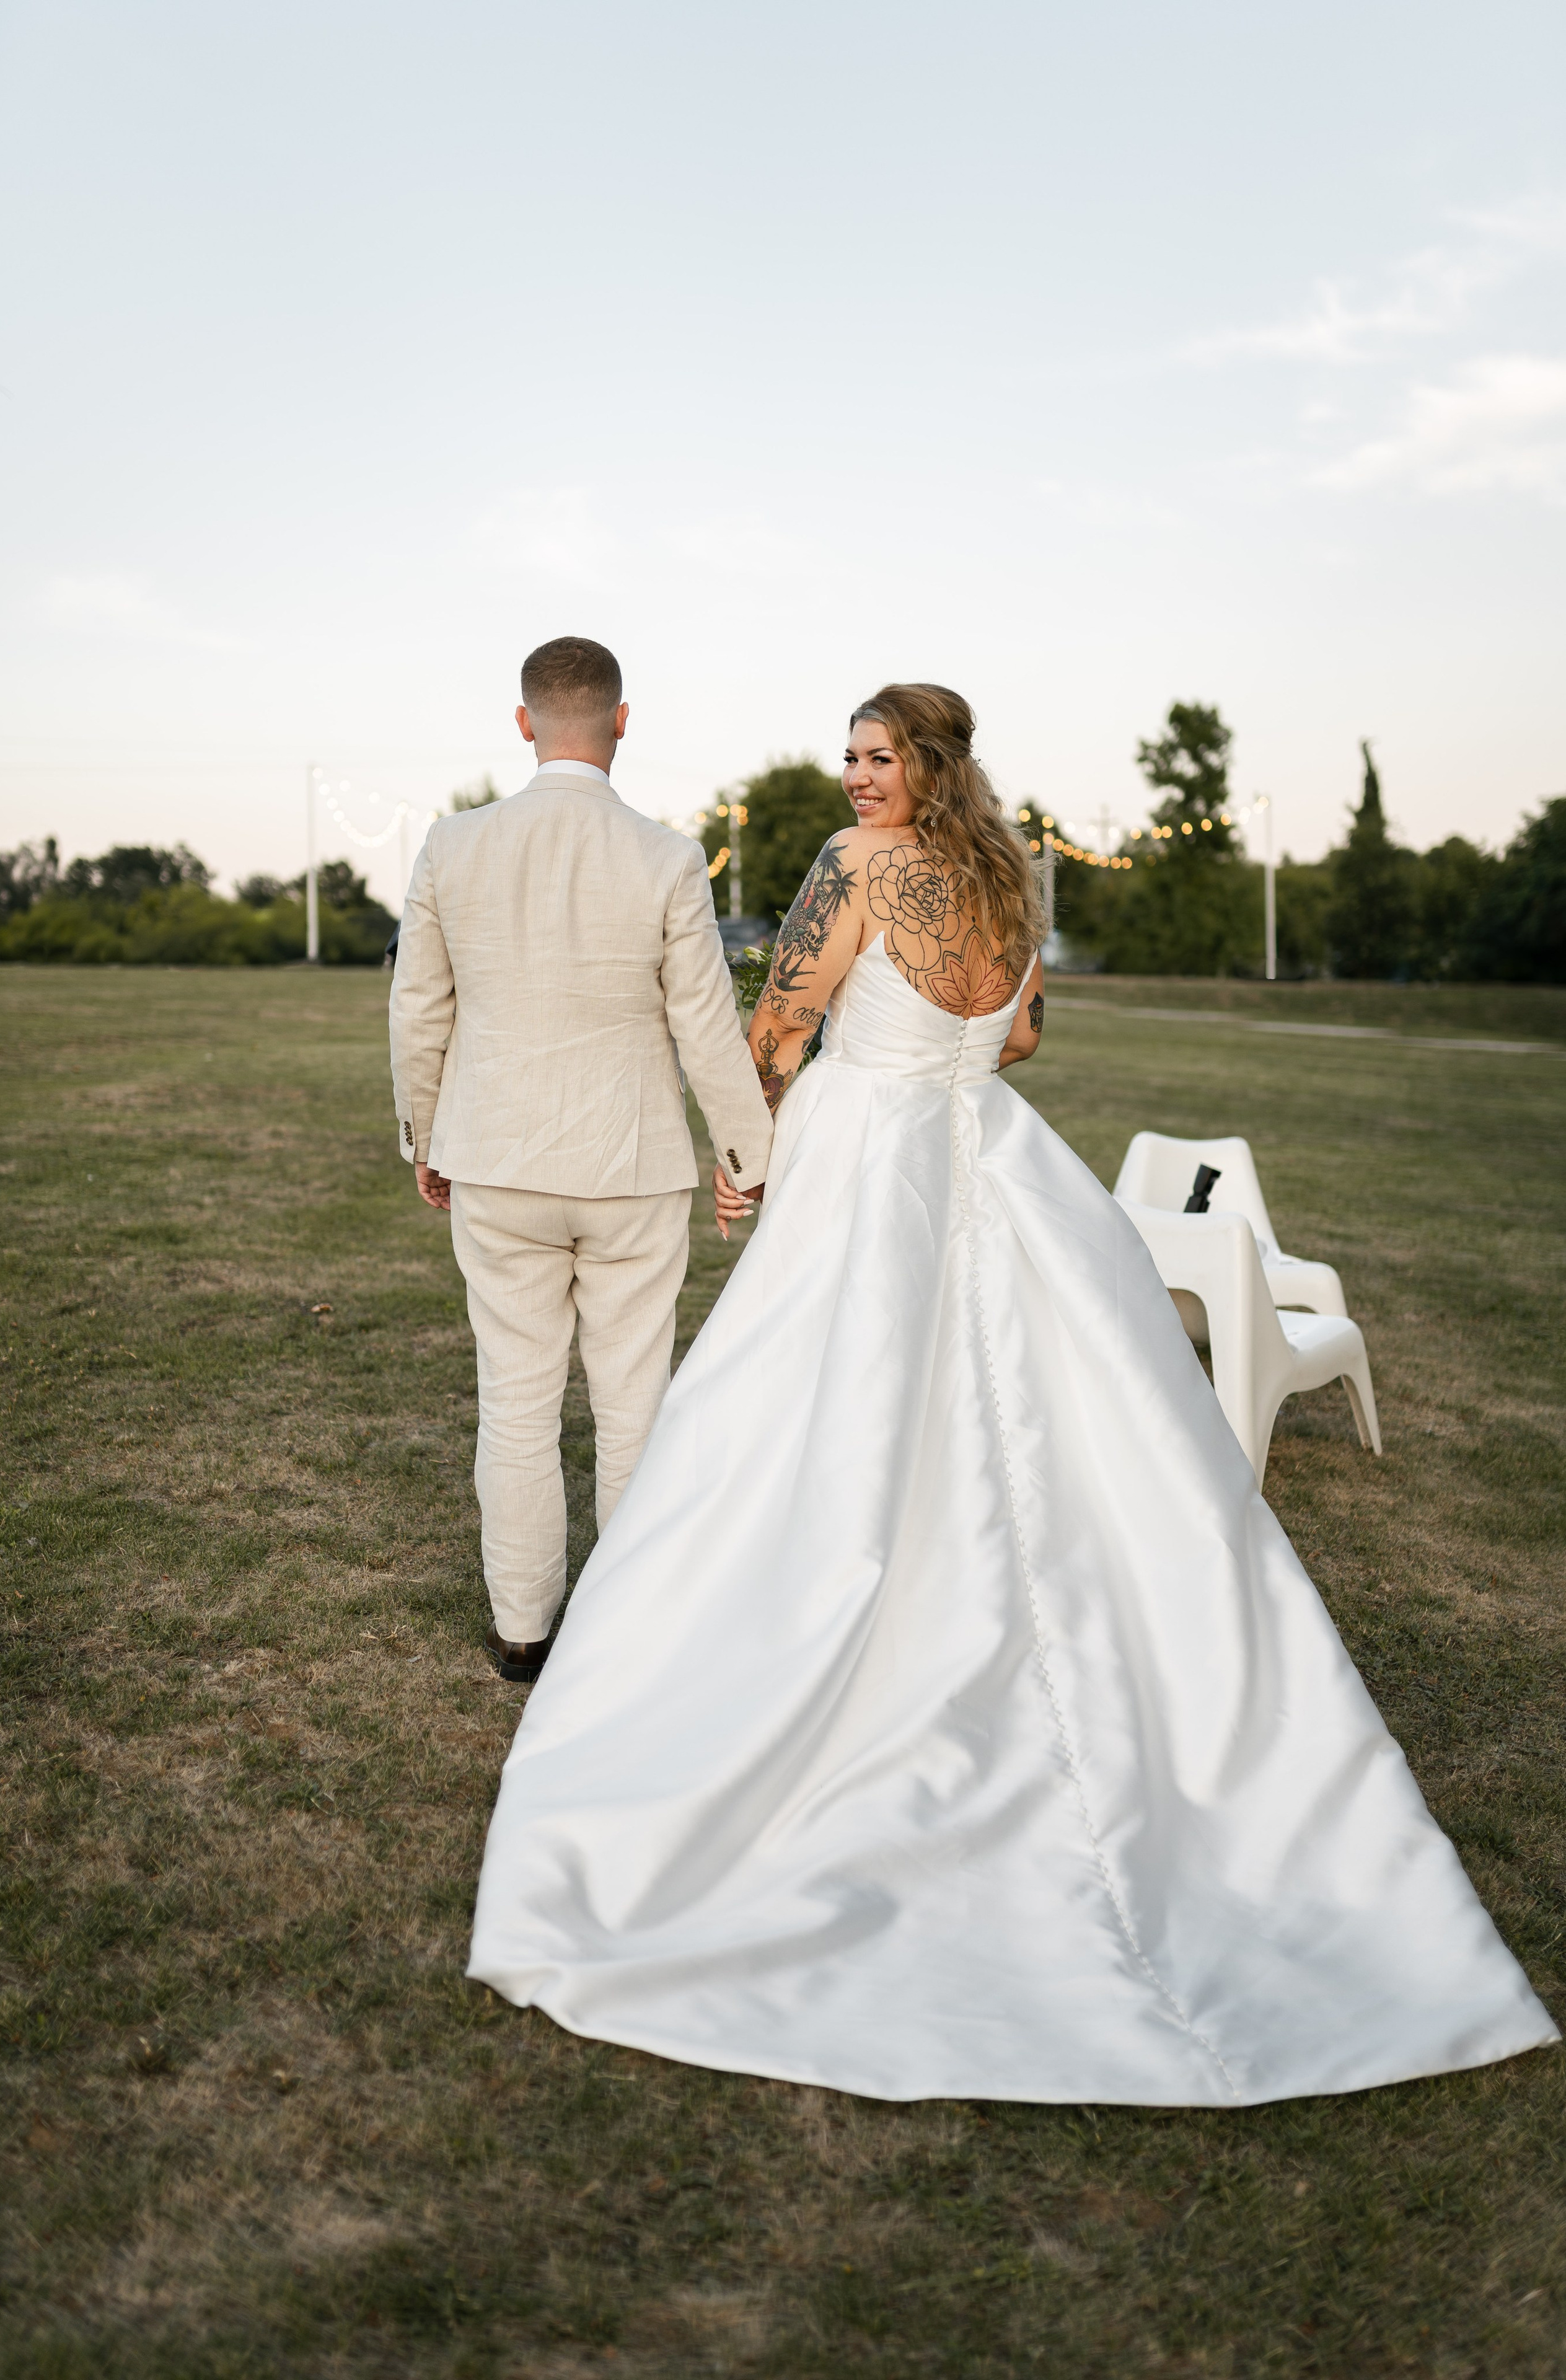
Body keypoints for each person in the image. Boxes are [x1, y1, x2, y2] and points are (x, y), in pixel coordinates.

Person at [466, 682, 1556, 2107]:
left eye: (875, 755)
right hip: (990, 1147)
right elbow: (1022, 1041)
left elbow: (778, 1025)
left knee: (814, 1411)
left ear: (923, 763)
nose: (852, 777)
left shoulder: (853, 869)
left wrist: (750, 1147)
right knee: (1037, 1422)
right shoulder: (1007, 876)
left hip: (868, 1157)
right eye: (846, 757)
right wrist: (942, 1042)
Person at [389, 636, 772, 1684]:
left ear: (524, 723)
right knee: (633, 1399)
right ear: (621, 720)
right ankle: (631, 1622)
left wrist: (426, 1135)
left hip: (498, 1158)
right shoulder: (667, 855)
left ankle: (524, 1629)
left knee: (515, 1397)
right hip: (632, 1163)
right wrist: (746, 1151)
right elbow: (703, 1025)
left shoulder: (452, 844)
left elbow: (420, 1007)